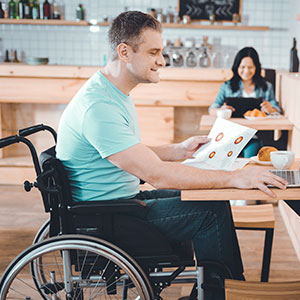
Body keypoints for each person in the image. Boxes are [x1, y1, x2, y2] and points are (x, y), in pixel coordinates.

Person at [56, 11, 287, 299]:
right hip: (107, 219)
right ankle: (223, 291)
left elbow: (129, 153)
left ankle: (220, 288)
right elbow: (156, 175)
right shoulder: (99, 107)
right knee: (210, 211)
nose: (162, 61)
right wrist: (236, 176)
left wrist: (178, 150)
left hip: (119, 206)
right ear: (124, 52)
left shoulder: (111, 93)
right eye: (154, 52)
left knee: (210, 200)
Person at [209, 47, 282, 158]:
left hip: (255, 136)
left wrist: (271, 109)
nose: (246, 71)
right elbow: (212, 109)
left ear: (256, 67)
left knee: (249, 158)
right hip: (231, 136)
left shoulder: (266, 87)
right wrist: (220, 111)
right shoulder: (227, 86)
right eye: (242, 67)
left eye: (250, 67)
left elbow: (277, 109)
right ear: (236, 67)